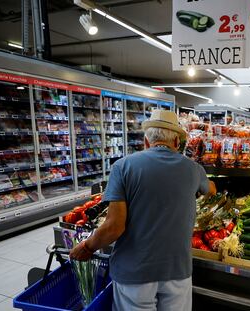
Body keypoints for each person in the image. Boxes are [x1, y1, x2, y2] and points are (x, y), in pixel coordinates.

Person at [70, 110, 217, 311]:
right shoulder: (193, 169)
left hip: (135, 274)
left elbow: (114, 227)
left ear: (146, 142)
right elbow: (211, 190)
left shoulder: (122, 167)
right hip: (177, 271)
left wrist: (87, 247)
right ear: (176, 142)